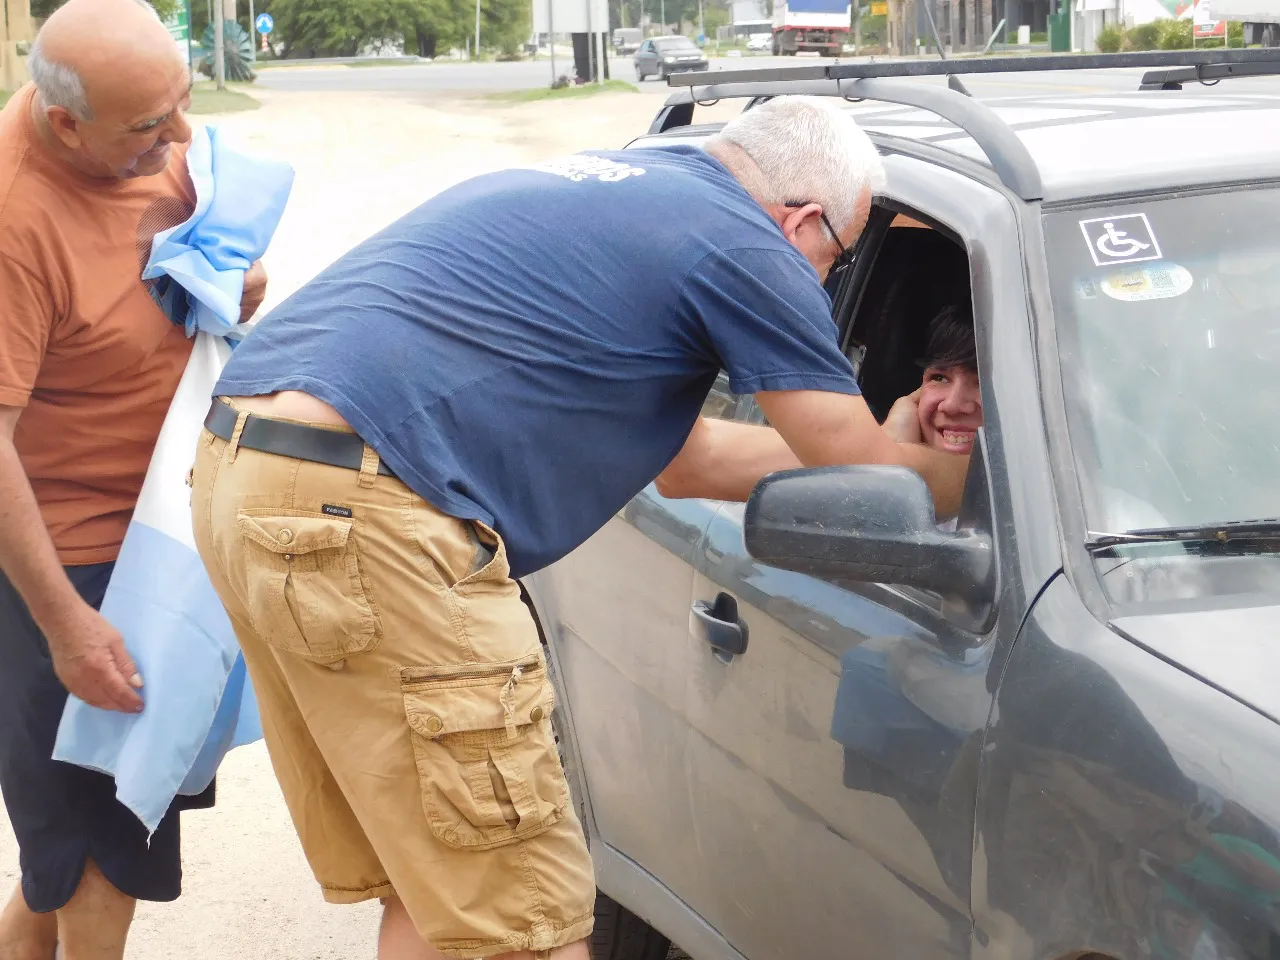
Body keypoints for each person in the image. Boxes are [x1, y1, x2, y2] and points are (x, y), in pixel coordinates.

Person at [189, 95, 969, 960]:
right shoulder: (745, 243)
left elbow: (689, 460)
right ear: (805, 219)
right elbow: (850, 461)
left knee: (442, 891)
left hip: (252, 477)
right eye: (839, 258)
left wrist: (886, 456)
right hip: (368, 514)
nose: (823, 281)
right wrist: (964, 474)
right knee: (528, 926)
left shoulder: (646, 183)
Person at [0, 2, 267, 958]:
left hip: (164, 537)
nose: (181, 138)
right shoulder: (13, 218)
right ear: (64, 121)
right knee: (99, 842)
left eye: (181, 105)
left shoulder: (150, 145)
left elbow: (204, 268)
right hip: (68, 569)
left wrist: (236, 286)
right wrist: (67, 628)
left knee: (69, 846)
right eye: (150, 126)